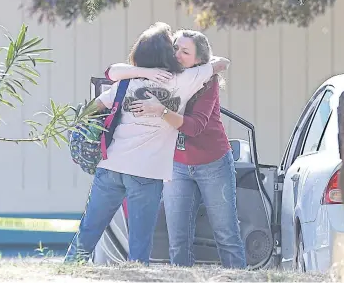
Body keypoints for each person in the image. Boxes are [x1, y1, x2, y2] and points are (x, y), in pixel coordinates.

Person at [64, 23, 230, 265]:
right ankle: (135, 276)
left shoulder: (126, 82)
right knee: (139, 244)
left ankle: (68, 270)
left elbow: (96, 104)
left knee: (88, 231)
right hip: (146, 173)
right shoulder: (183, 80)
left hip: (111, 166)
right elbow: (221, 64)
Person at [107, 29, 246, 268]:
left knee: (226, 235)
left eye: (185, 51)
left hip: (212, 163)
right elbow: (112, 73)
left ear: (199, 61)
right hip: (177, 165)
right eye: (175, 48)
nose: (178, 55)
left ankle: (238, 276)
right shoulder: (162, 75)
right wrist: (144, 72)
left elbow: (194, 127)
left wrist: (159, 110)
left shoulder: (206, 83)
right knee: (178, 240)